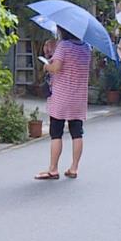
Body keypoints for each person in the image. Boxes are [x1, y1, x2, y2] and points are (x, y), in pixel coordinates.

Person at [36, 27, 91, 180]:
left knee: (56, 133)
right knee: (77, 132)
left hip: (61, 96)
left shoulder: (64, 46)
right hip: (78, 97)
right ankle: (74, 168)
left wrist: (47, 65)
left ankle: (53, 169)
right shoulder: (86, 47)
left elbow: (56, 68)